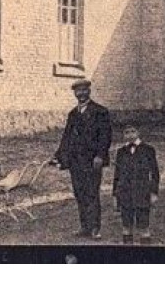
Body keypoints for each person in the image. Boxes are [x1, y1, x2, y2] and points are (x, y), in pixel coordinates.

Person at [49, 76, 112, 239]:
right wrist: (58, 156)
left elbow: (105, 136)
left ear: (89, 91)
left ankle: (95, 228)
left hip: (92, 161)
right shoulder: (73, 114)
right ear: (75, 93)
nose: (81, 94)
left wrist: (100, 156)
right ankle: (84, 227)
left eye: (84, 90)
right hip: (76, 161)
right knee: (80, 193)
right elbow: (66, 138)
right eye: (78, 91)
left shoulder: (100, 112)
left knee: (92, 193)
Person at [112, 123, 159, 245]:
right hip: (125, 192)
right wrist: (115, 195)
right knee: (126, 225)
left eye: (133, 131)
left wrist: (153, 192)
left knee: (143, 225)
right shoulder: (121, 152)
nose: (130, 135)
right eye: (127, 132)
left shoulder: (148, 150)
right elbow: (117, 175)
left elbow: (155, 173)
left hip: (142, 192)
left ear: (138, 132)